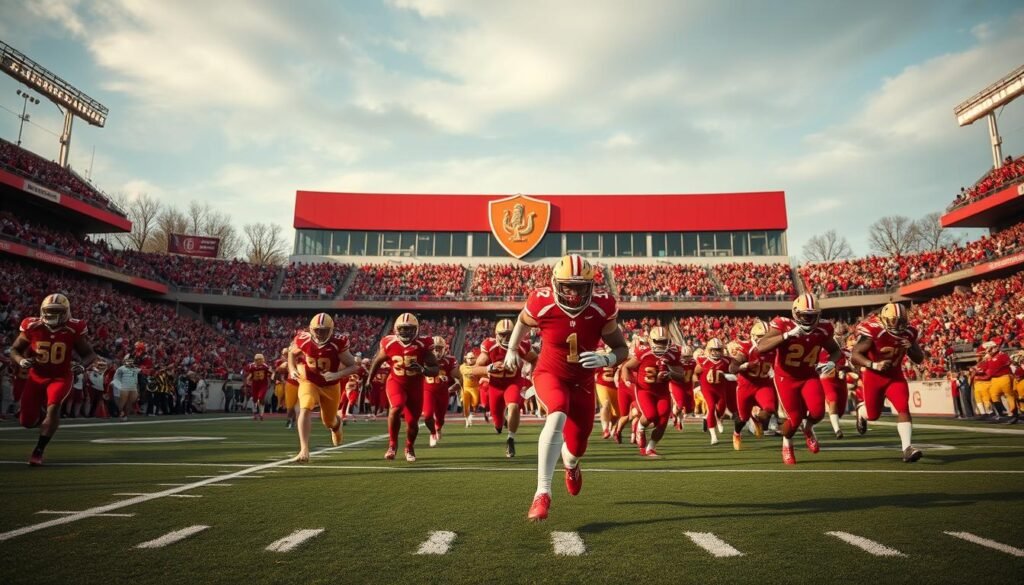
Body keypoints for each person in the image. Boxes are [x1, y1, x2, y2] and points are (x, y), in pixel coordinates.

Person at [501, 254, 628, 522]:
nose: (572, 292)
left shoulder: (602, 307)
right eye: (567, 286)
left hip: (583, 382)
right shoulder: (542, 301)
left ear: (591, 286)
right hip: (550, 373)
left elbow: (622, 348)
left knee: (577, 447)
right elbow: (523, 321)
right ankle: (542, 493)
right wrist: (512, 348)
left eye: (580, 287)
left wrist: (606, 358)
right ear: (555, 283)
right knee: (557, 411)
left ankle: (571, 466)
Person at [9, 294, 98, 465]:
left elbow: (89, 354)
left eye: (57, 311)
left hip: (60, 377)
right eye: (50, 311)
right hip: (36, 377)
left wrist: (82, 365)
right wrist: (21, 360)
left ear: (66, 312)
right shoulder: (32, 325)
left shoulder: (74, 328)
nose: (53, 315)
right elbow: (14, 349)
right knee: (27, 422)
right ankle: (41, 416)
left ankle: (39, 450)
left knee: (54, 407)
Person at [756, 293, 841, 465]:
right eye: (805, 316)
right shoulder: (783, 324)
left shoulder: (824, 328)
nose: (809, 320)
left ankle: (808, 428)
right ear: (795, 314)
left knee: (818, 413)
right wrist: (787, 335)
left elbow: (836, 350)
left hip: (809, 375)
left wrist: (831, 363)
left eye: (813, 316)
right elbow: (761, 346)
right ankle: (787, 443)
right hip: (786, 378)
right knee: (794, 419)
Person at [850, 302, 925, 463]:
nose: (898, 325)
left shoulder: (909, 333)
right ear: (884, 319)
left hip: (895, 376)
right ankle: (861, 411)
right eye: (893, 321)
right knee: (873, 415)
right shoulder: (874, 331)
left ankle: (907, 448)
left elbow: (919, 359)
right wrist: (873, 364)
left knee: (903, 408)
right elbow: (855, 355)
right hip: (874, 376)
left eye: (901, 321)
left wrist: (911, 347)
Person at [363, 313, 439, 462]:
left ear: (416, 330)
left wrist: (423, 370)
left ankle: (409, 447)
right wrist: (368, 380)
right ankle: (392, 445)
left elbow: (435, 368)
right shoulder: (389, 342)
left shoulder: (424, 344)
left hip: (415, 386)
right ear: (396, 329)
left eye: (408, 329)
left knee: (412, 423)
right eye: (402, 329)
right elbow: (377, 361)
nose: (405, 332)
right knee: (396, 407)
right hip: (396, 382)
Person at [287, 313, 359, 462]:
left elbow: (354, 366)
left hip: (330, 386)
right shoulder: (303, 339)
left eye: (324, 330)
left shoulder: (338, 343)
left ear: (331, 330)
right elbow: (291, 354)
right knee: (305, 407)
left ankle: (337, 424)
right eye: (317, 330)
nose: (320, 333)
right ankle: (304, 449)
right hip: (309, 381)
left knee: (328, 421)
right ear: (311, 329)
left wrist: (337, 375)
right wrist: (292, 369)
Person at [473, 319, 538, 458]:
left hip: (513, 382)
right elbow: (475, 370)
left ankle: (511, 439)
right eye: (503, 334)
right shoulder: (489, 345)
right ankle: (500, 424)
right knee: (497, 422)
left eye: (509, 334)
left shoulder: (522, 345)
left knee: (514, 406)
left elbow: (534, 359)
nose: (506, 338)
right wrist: (489, 367)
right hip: (495, 385)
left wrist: (533, 376)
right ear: (496, 334)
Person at [618, 326, 686, 457]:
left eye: (663, 342)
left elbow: (681, 376)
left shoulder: (672, 354)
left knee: (662, 422)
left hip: (662, 392)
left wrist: (671, 373)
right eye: (657, 342)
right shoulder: (644, 352)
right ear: (650, 340)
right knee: (650, 415)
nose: (660, 345)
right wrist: (628, 380)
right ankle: (640, 428)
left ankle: (650, 448)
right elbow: (626, 367)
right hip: (645, 390)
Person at [727, 320, 778, 450]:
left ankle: (755, 416)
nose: (767, 340)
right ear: (754, 336)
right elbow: (732, 368)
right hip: (746, 386)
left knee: (769, 409)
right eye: (762, 337)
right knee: (742, 418)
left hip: (763, 384)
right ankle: (736, 433)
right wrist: (744, 366)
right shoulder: (746, 348)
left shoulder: (776, 349)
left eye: (769, 336)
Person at [694, 338, 735, 446]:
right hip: (708, 389)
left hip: (721, 389)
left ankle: (719, 419)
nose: (716, 352)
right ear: (709, 350)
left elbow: (734, 373)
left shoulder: (726, 361)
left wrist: (727, 375)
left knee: (721, 408)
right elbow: (695, 374)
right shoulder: (703, 360)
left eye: (718, 350)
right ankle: (713, 435)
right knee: (711, 407)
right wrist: (696, 385)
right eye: (714, 350)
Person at [423, 336, 460, 447]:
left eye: (439, 348)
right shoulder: (423, 359)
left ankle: (438, 428)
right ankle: (432, 432)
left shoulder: (450, 360)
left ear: (445, 349)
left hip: (443, 392)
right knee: (428, 415)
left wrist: (457, 384)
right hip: (428, 390)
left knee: (440, 418)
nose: (436, 351)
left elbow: (458, 377)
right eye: (434, 348)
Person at [820, 324, 853, 439]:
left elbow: (855, 367)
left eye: (843, 335)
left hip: (841, 382)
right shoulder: (822, 351)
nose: (841, 338)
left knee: (841, 411)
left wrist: (845, 369)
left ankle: (836, 424)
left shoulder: (847, 352)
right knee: (832, 400)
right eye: (839, 335)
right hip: (827, 380)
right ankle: (837, 430)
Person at [982, 342, 1016, 423]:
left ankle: (1013, 414)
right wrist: (985, 360)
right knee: (993, 395)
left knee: (1009, 395)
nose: (987, 350)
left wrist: (997, 368)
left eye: (988, 348)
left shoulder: (1002, 355)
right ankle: (1001, 414)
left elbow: (1008, 362)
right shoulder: (989, 358)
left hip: (1004, 377)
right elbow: (984, 368)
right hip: (994, 379)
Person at [669, 344, 696, 431]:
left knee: (689, 408)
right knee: (679, 404)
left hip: (688, 386)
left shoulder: (694, 362)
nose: (686, 358)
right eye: (685, 356)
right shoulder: (676, 362)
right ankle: (676, 417)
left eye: (688, 356)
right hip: (677, 385)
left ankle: (678, 418)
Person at [244, 353, 274, 421]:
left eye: (260, 360)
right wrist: (248, 379)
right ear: (255, 360)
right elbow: (248, 374)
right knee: (254, 399)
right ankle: (254, 413)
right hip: (255, 384)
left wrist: (270, 379)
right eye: (258, 360)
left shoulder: (265, 366)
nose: (259, 361)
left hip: (263, 384)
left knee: (261, 397)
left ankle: (261, 414)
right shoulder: (251, 366)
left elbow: (270, 374)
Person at [458, 351, 482, 427]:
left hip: (475, 387)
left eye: (472, 358)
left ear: (475, 359)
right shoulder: (462, 367)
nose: (471, 360)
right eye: (469, 358)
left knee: (475, 403)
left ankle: (470, 414)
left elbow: (481, 376)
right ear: (466, 359)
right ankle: (467, 420)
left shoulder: (478, 366)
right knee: (465, 405)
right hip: (466, 388)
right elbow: (460, 377)